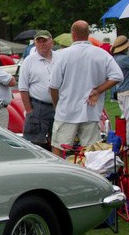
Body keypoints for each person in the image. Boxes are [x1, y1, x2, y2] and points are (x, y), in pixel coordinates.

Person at [48, 20, 122, 156]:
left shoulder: (62, 55)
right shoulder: (101, 54)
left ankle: (58, 174)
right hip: (91, 110)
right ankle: (90, 174)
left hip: (66, 110)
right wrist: (98, 90)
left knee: (59, 147)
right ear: (88, 34)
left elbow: (53, 85)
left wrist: (56, 105)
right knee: (90, 151)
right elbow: (117, 76)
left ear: (73, 34)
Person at [17, 30, 55, 149]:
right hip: (38, 107)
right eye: (39, 41)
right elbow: (23, 88)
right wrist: (29, 111)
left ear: (51, 42)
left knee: (58, 142)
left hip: (58, 106)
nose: (42, 44)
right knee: (34, 144)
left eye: (45, 41)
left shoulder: (60, 58)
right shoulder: (29, 61)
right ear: (35, 43)